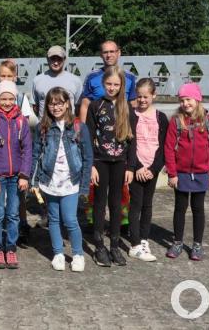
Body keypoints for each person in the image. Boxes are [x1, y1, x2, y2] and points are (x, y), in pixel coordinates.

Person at [30, 87, 93, 272]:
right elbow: (36, 154)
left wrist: (84, 185)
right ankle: (58, 253)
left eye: (59, 103)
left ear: (67, 104)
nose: (55, 107)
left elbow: (88, 157)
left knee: (70, 220)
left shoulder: (79, 127)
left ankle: (78, 254)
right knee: (54, 219)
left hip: (71, 182)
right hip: (49, 181)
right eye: (52, 103)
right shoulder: (43, 128)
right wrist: (33, 180)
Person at [86, 66, 136, 268]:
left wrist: (131, 167)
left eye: (116, 84)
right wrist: (90, 165)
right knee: (99, 204)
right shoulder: (95, 106)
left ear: (121, 85)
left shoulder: (126, 108)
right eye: (109, 84)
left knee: (117, 204)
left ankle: (114, 244)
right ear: (103, 84)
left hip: (120, 163)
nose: (112, 87)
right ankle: (99, 246)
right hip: (100, 162)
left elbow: (133, 141)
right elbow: (88, 137)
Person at [164, 82, 209, 262]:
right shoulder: (176, 121)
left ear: (197, 99)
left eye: (188, 99)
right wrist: (172, 173)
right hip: (181, 173)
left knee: (198, 209)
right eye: (182, 100)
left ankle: (197, 244)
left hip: (202, 172)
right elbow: (168, 148)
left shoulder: (208, 121)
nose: (185, 103)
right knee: (180, 208)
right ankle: (178, 242)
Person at [0, 81, 32, 269]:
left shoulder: (21, 121)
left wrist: (25, 174)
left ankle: (10, 247)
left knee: (13, 215)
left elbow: (27, 149)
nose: (8, 102)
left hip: (16, 176)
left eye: (11, 98)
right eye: (4, 98)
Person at [0, 59, 35, 243]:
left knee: (16, 202)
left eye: (9, 76)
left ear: (15, 77)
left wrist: (25, 172)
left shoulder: (21, 99)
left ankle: (19, 228)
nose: (6, 79)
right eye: (3, 76)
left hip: (16, 164)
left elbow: (25, 133)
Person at [127, 78, 168, 262]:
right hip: (136, 167)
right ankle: (135, 244)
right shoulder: (131, 115)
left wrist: (153, 168)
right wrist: (136, 166)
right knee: (135, 204)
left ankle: (144, 239)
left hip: (152, 167)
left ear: (154, 95)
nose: (142, 100)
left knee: (147, 204)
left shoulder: (160, 117)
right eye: (139, 96)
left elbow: (164, 147)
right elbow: (129, 144)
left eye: (146, 97)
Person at [78, 40, 137, 123]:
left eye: (112, 51)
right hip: (98, 127)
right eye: (105, 52)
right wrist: (83, 130)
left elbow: (133, 104)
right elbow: (85, 105)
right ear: (101, 55)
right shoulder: (92, 76)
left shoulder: (130, 77)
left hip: (122, 126)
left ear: (119, 53)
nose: (109, 55)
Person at [31, 46, 82, 118]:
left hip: (68, 127)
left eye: (59, 59)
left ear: (64, 59)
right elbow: (35, 107)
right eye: (52, 59)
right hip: (45, 127)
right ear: (47, 59)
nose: (56, 63)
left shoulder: (75, 80)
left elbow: (78, 106)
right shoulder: (37, 80)